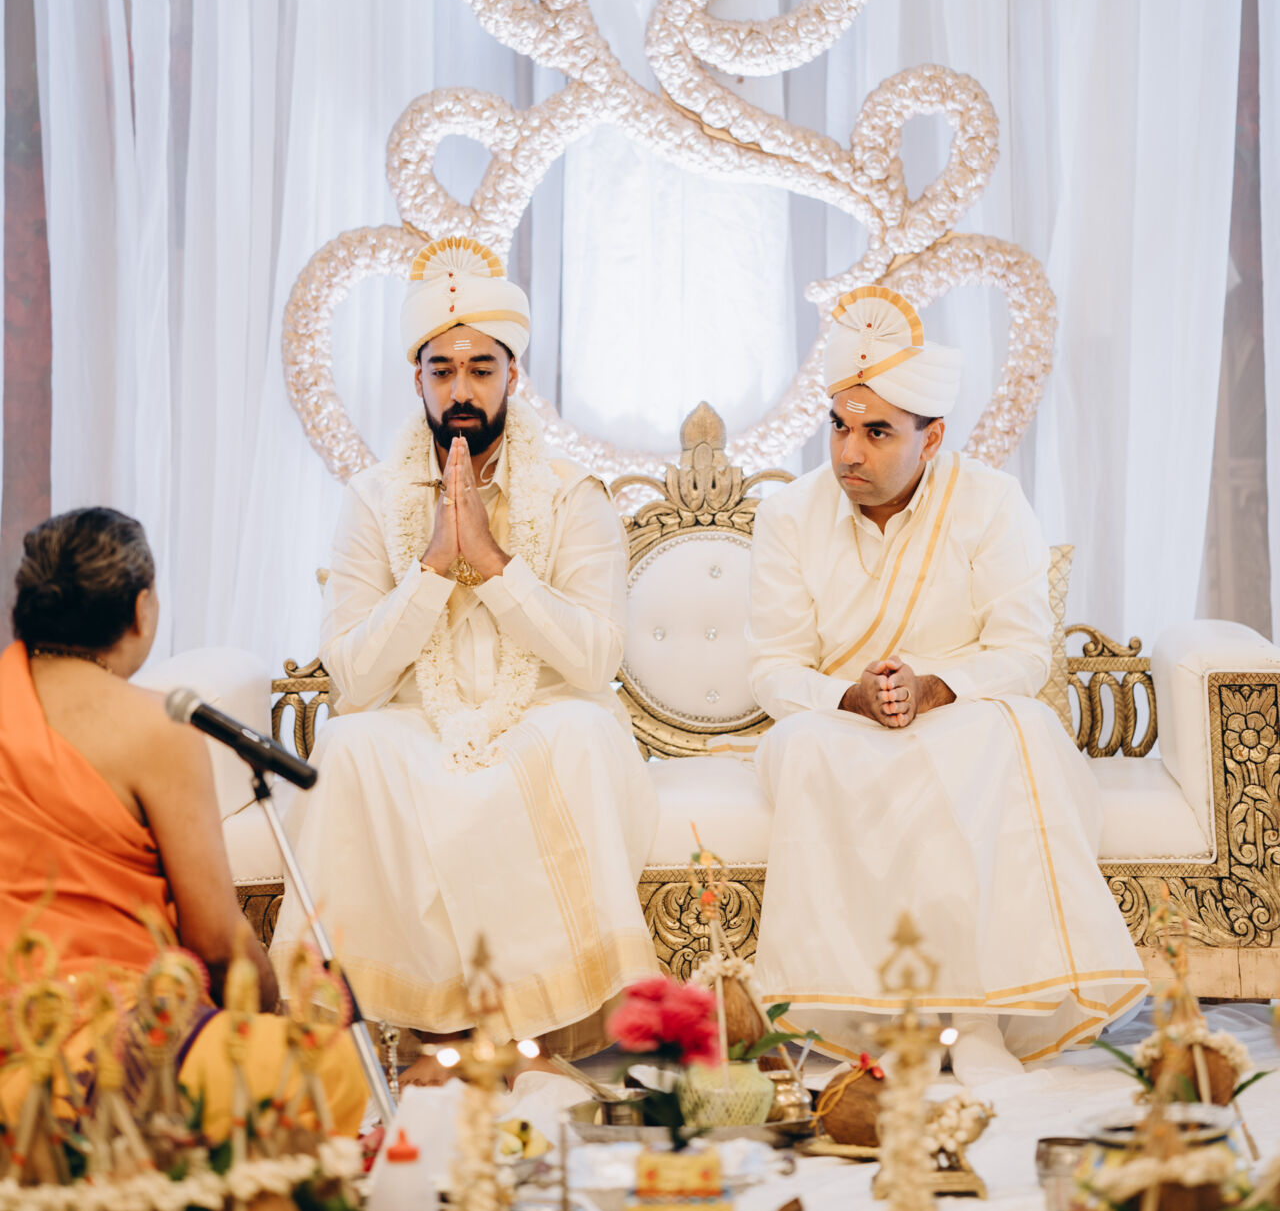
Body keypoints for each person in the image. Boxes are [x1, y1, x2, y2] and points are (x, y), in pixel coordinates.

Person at [270, 237, 658, 1076]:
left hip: (543, 713)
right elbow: (355, 678)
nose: (460, 390)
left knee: (583, 737)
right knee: (349, 746)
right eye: (441, 370)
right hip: (415, 725)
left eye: (481, 369)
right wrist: (434, 568)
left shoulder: (572, 496)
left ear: (513, 375)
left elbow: (595, 661)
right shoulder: (372, 501)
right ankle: (414, 1034)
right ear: (416, 380)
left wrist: (494, 562)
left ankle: (529, 1038)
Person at [745, 286, 1146, 1082]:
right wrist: (850, 697)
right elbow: (773, 668)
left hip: (962, 711)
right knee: (807, 747)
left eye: (876, 432)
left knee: (1013, 732)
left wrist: (933, 687)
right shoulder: (789, 514)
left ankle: (978, 1020)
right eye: (839, 426)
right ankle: (874, 1026)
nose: (848, 453)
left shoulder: (990, 502)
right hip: (840, 719)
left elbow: (1023, 653)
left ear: (930, 440)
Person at [0, 507, 365, 1135]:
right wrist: (267, 1016)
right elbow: (217, 944)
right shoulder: (156, 729)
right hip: (103, 1036)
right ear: (141, 610)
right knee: (332, 1068)